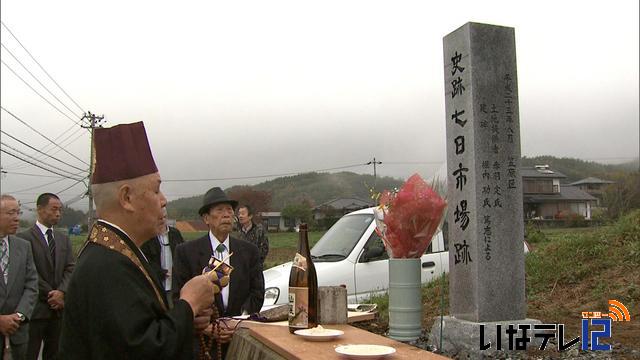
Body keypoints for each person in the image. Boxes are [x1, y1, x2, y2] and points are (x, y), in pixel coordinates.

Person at [58, 122, 223, 359]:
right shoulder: (107, 266)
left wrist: (185, 319)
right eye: (156, 190)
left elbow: (143, 327)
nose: (164, 201)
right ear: (127, 197)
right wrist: (189, 303)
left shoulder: (118, 253)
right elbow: (145, 349)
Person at [173, 187, 264, 356]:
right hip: (202, 344)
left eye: (229, 210)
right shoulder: (186, 252)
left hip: (239, 341)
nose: (227, 214)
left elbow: (257, 292)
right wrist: (205, 326)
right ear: (206, 218)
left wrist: (236, 323)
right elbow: (178, 297)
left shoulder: (249, 251)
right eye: (219, 210)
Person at [17, 193, 75, 360]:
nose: (58, 213)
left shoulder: (63, 239)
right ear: (40, 210)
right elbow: (29, 272)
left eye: (60, 210)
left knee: (56, 354)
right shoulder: (24, 238)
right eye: (54, 209)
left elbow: (70, 268)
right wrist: (51, 294)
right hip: (35, 310)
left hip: (58, 312)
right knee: (30, 353)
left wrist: (62, 292)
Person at [0, 194, 38, 360]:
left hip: (17, 332)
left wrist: (19, 315)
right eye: (10, 213)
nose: (16, 218)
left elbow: (32, 283)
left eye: (18, 213)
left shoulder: (23, 246)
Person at [140, 208, 185, 308]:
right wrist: (161, 273)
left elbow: (183, 255)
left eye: (164, 217)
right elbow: (146, 261)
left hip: (175, 284)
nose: (162, 220)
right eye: (159, 218)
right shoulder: (148, 237)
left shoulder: (175, 234)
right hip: (157, 284)